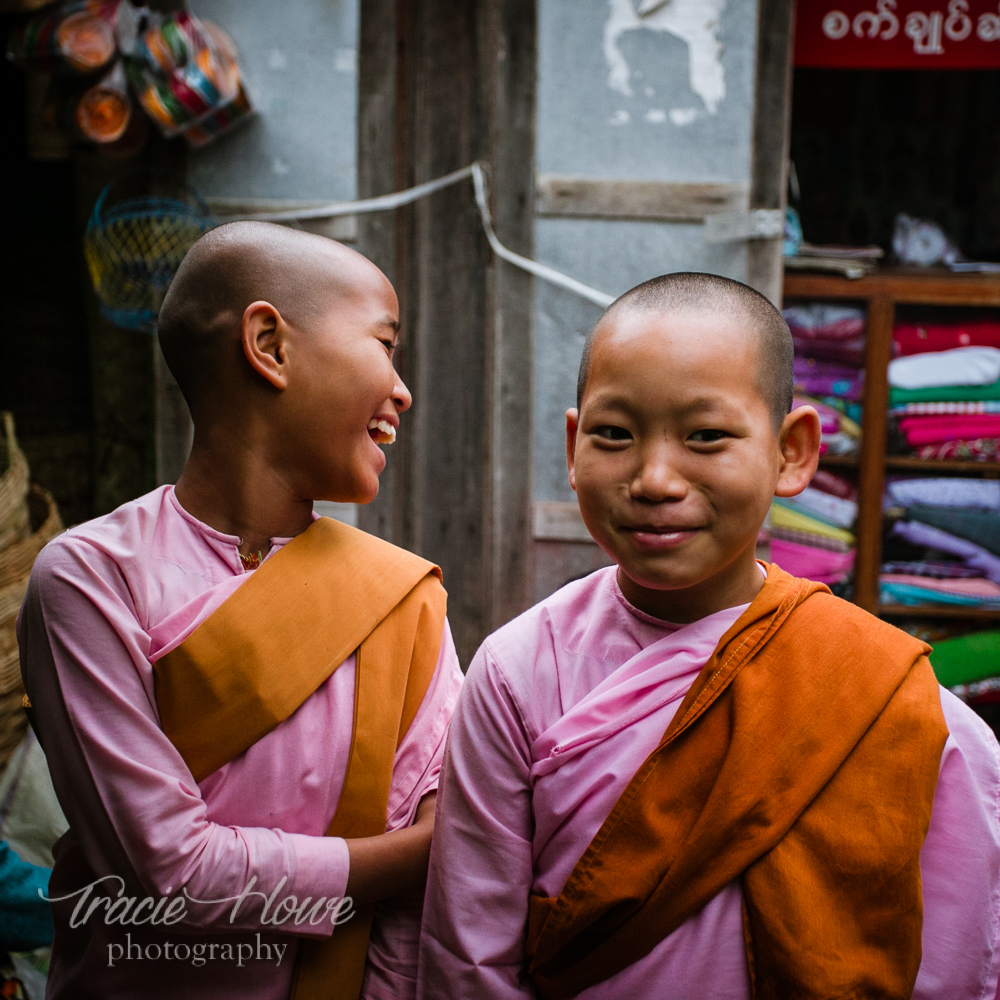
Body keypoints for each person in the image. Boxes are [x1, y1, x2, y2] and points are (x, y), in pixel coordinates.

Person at [418, 273, 1000, 1000]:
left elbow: (957, 958)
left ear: (792, 452)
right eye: (614, 435)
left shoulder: (890, 696)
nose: (655, 478)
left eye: (706, 437)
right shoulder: (516, 672)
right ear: (573, 447)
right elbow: (468, 958)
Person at [18, 222, 463, 1000]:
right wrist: (426, 854)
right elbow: (171, 871)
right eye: (384, 345)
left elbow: (408, 921)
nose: (403, 388)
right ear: (270, 344)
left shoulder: (400, 597)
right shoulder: (90, 579)